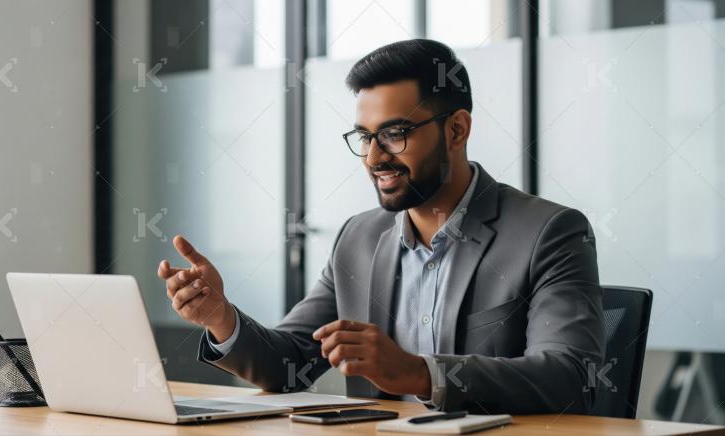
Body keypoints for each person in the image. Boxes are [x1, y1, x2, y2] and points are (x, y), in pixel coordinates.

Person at [158, 39, 604, 414]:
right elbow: (289, 365)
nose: (373, 158)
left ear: (457, 130)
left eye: (394, 134)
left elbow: (569, 376)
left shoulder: (549, 231)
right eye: (365, 137)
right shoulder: (359, 238)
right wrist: (220, 317)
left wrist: (418, 373)